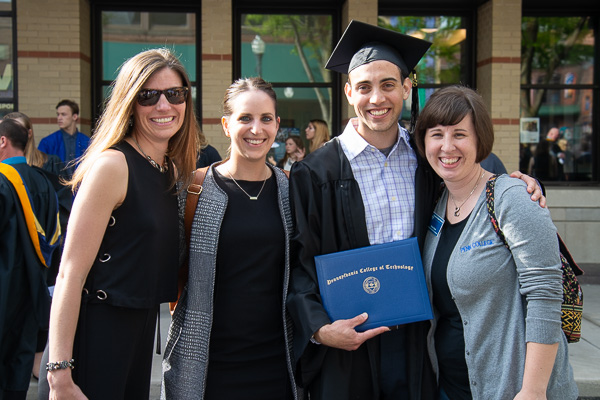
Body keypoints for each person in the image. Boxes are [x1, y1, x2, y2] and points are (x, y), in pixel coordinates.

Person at [287, 20, 545, 400]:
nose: (377, 98)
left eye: (388, 85)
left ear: (406, 88)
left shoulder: (430, 159)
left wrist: (518, 185)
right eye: (364, 87)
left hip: (419, 341)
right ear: (348, 93)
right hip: (349, 343)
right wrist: (320, 329)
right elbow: (298, 261)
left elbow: (475, 184)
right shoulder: (315, 172)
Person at [42, 48, 198, 399]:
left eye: (174, 94)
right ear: (129, 102)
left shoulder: (168, 170)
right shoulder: (113, 166)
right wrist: (59, 374)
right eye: (148, 96)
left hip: (140, 332)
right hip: (95, 334)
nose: (163, 106)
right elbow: (69, 273)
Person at [413, 85, 578, 400]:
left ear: (479, 139)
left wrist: (533, 391)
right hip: (451, 388)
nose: (447, 147)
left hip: (512, 389)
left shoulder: (511, 197)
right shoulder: (435, 202)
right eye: (436, 134)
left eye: (460, 134)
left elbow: (545, 296)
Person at [162, 77, 299, 400]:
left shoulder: (292, 191)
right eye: (245, 118)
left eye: (266, 119)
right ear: (226, 125)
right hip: (208, 367)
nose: (257, 129)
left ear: (277, 125)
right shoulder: (193, 189)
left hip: (278, 365)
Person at [0, 119, 61, 400]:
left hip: (5, 287)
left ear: (3, 141)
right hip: (35, 289)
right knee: (19, 368)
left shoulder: (3, 180)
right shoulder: (44, 181)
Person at [37, 99, 90, 179]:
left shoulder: (87, 142)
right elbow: (39, 169)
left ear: (74, 116)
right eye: (58, 114)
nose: (59, 118)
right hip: (56, 188)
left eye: (63, 114)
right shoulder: (47, 142)